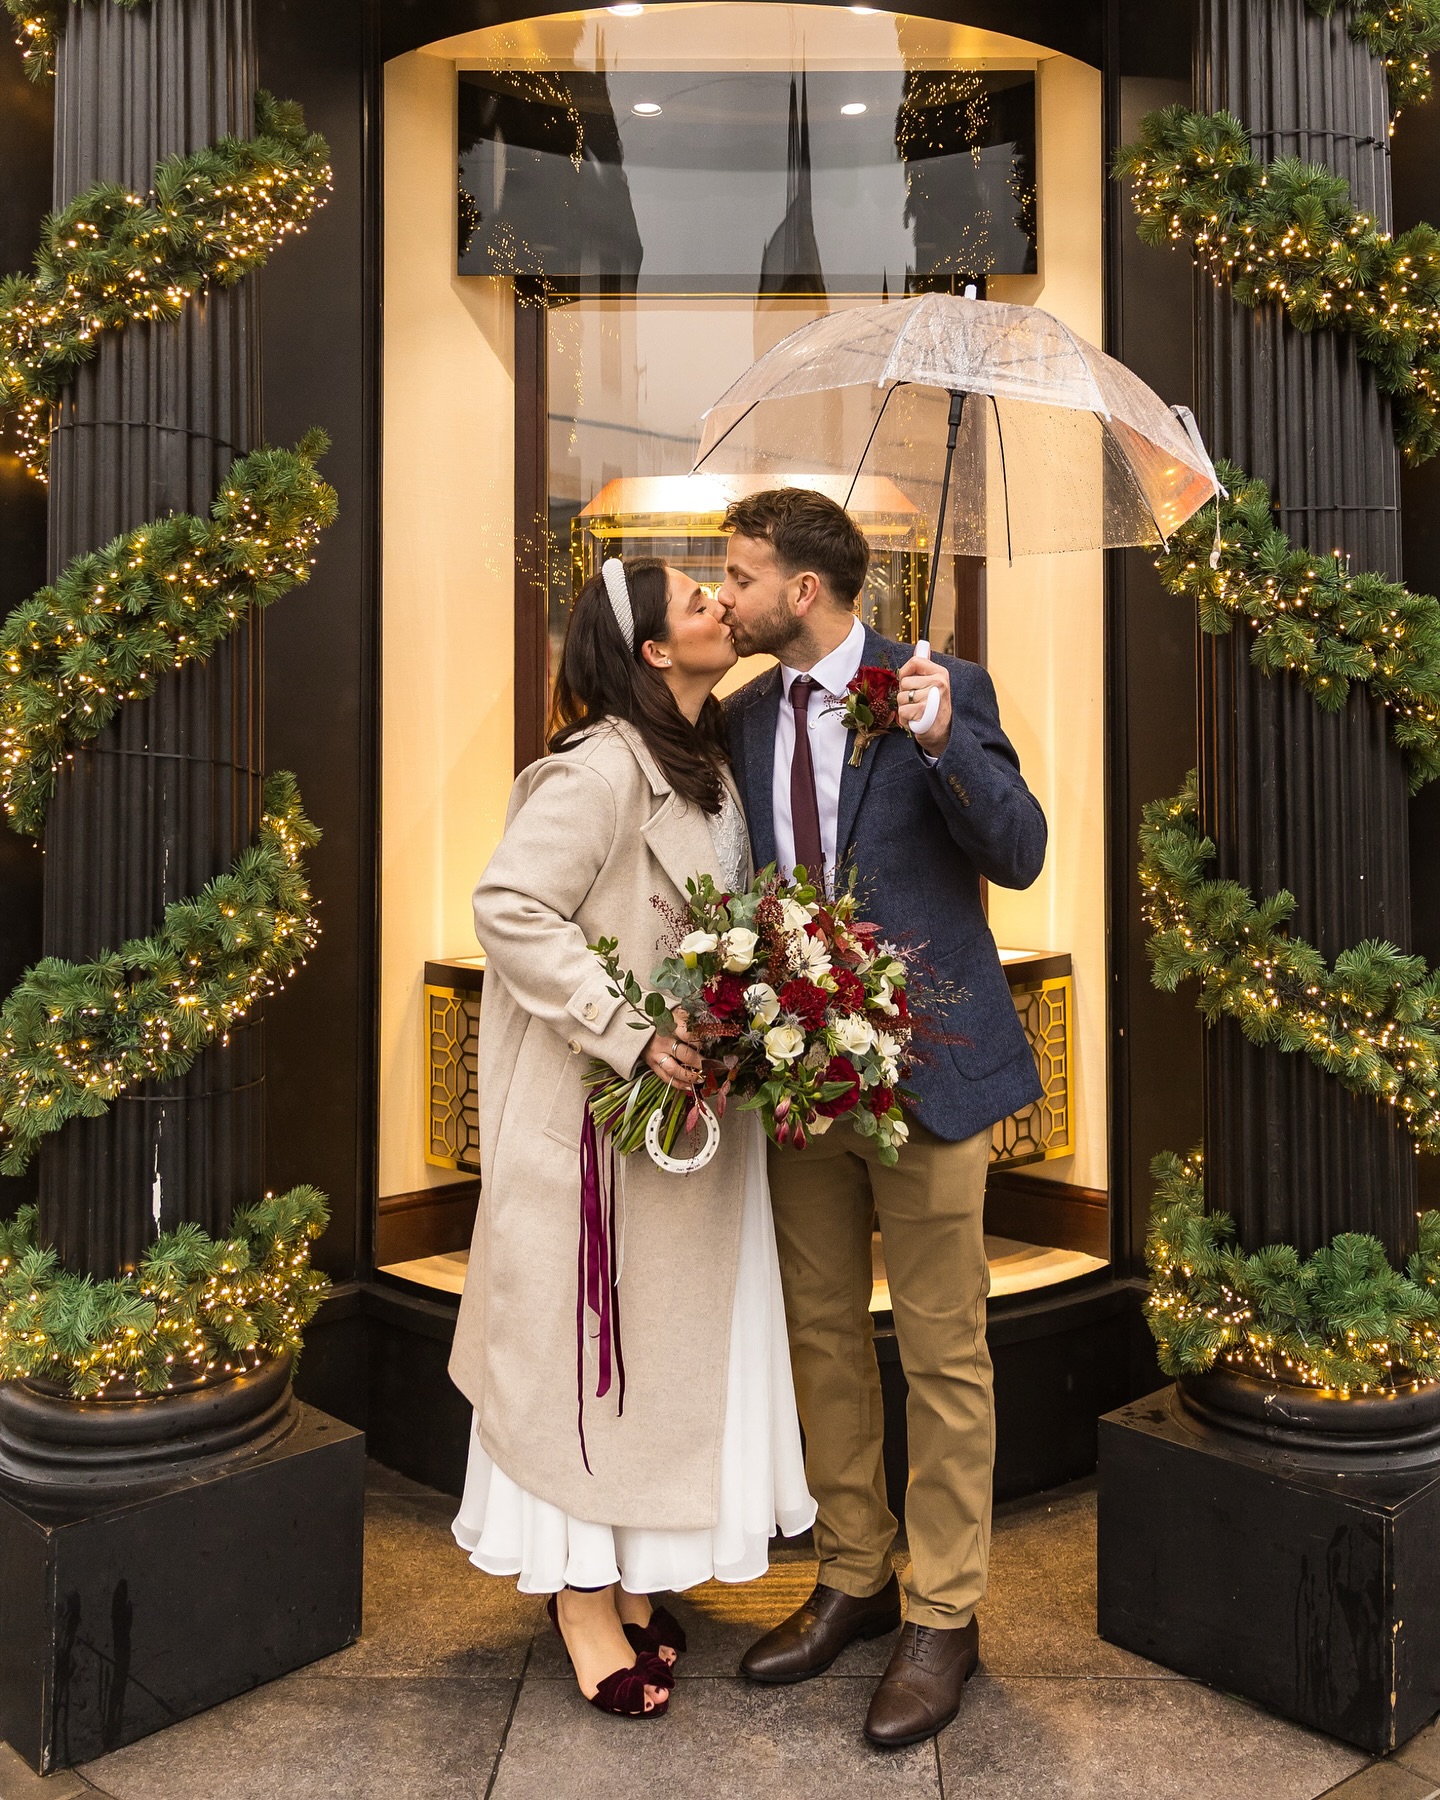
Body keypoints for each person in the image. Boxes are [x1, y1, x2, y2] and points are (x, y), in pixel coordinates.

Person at [447, 555, 815, 1721]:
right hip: (592, 1131)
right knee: (587, 1363)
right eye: (700, 601)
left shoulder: (707, 763)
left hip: (683, 1136)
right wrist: (624, 1025)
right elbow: (510, 906)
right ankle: (580, 1599)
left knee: (652, 1366)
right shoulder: (599, 770)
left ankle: (634, 1572)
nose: (721, 605)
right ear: (655, 651)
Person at [717, 488, 1047, 1749]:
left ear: (805, 589)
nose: (728, 593)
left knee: (943, 1346)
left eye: (741, 575)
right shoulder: (744, 716)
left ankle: (945, 1613)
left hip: (934, 1076)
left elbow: (1019, 852)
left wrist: (948, 745)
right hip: (799, 1075)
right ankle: (854, 1574)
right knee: (821, 1332)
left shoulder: (942, 681)